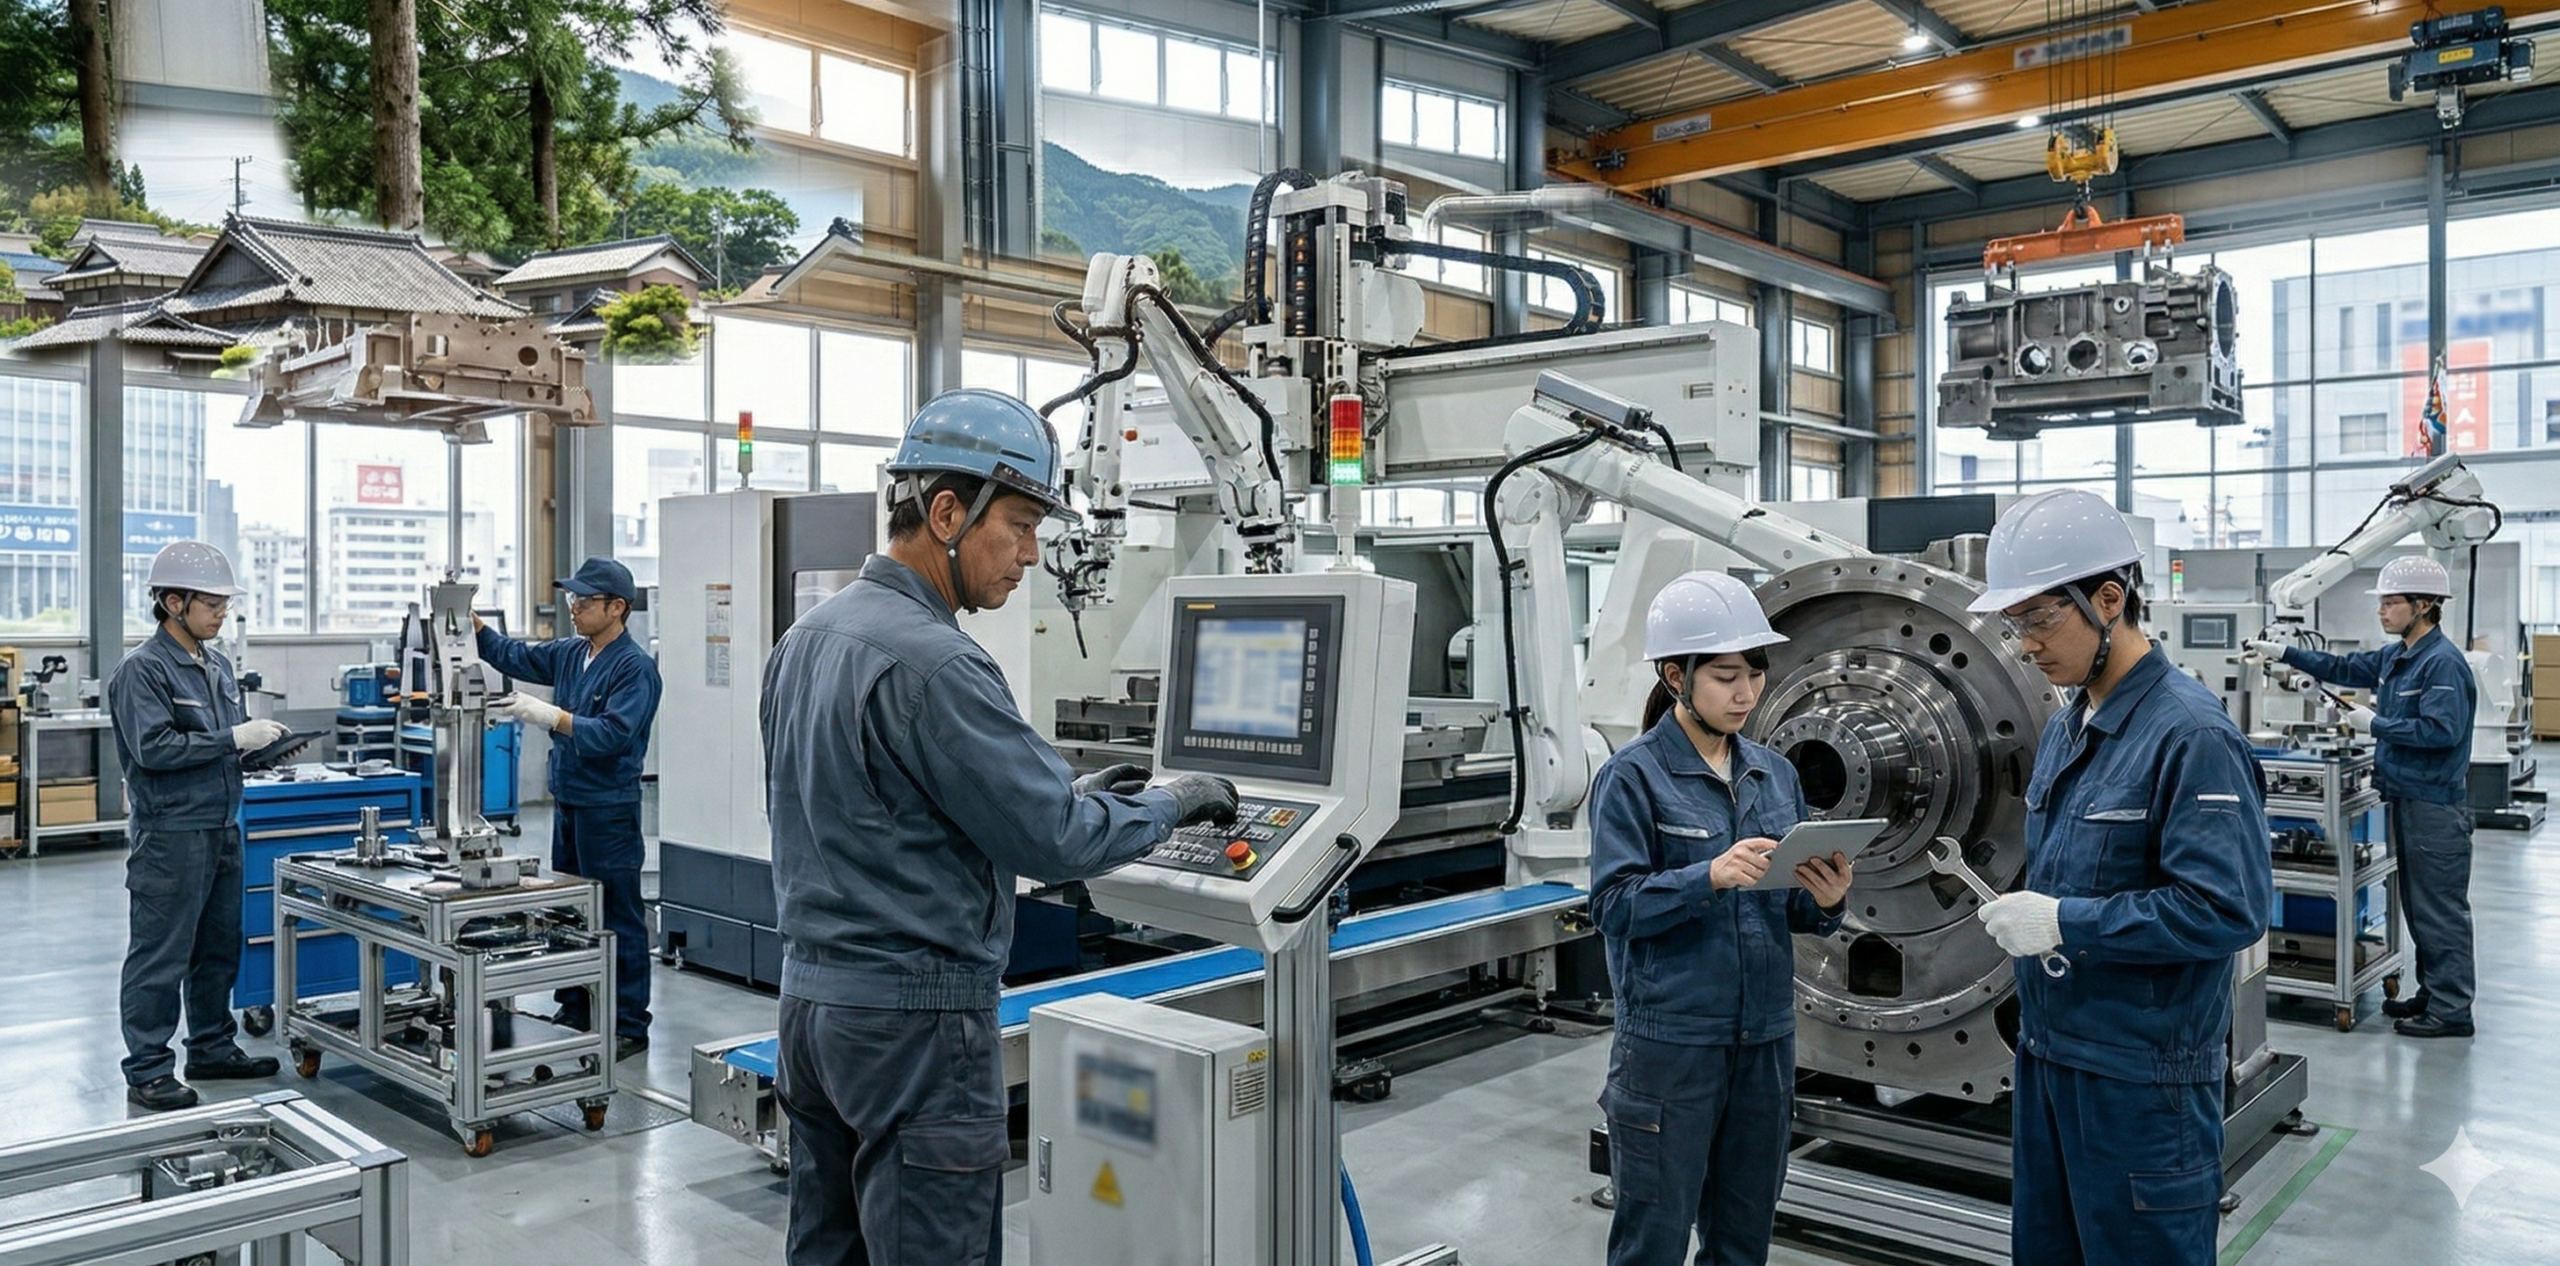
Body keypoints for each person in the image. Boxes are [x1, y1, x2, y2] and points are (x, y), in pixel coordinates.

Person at [761, 389, 1240, 1266]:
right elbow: (1054, 840)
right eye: (1018, 526)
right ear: (947, 513)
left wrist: (1077, 790)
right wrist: (1172, 802)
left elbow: (889, 802)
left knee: (829, 1250)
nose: (1029, 555)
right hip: (915, 1028)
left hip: (812, 1011)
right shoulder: (939, 662)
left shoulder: (809, 637)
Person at [1967, 488, 2273, 1266]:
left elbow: (2226, 910)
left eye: (2040, 620)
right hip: (2049, 1060)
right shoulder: (2070, 727)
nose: (2026, 645)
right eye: (2015, 625)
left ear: (2109, 600)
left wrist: (2063, 922)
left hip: (2143, 1086)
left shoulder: (2191, 735)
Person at [1589, 569, 1855, 1266]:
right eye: (1726, 677)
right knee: (1653, 1239)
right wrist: (1705, 877)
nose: (1746, 693)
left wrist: (1828, 899)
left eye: (1755, 674)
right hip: (1672, 1046)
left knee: (1743, 1240)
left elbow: (1789, 905)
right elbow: (1612, 905)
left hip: (1764, 1040)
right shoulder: (1632, 777)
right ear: (1676, 677)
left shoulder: (1774, 773)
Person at [2245, 555, 2479, 1038]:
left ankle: (2452, 1009)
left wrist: (2376, 725)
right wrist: (2285, 652)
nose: (2381, 611)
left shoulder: (2441, 663)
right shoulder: (2398, 656)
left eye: (2391, 603)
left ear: (2425, 605)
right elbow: (2342, 666)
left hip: (2435, 805)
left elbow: (2442, 732)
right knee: (2419, 907)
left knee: (2439, 910)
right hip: (2407, 797)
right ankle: (2434, 993)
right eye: (2382, 603)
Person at [110, 541, 290, 1110]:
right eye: (211, 604)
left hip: (221, 825)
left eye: (224, 604)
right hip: (170, 833)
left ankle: (211, 1047)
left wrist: (257, 751)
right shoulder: (142, 670)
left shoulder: (215, 665)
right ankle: (147, 1069)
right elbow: (155, 749)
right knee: (161, 955)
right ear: (173, 602)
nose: (221, 614)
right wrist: (232, 738)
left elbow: (218, 746)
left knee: (218, 947)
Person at [474, 556, 664, 1060]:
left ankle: (627, 1023)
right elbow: (512, 655)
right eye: (571, 598)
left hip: (608, 808)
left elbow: (611, 735)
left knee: (617, 914)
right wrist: (470, 626)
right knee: (572, 911)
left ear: (617, 607)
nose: (573, 608)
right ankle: (577, 1007)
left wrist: (550, 715)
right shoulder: (570, 652)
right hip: (570, 801)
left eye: (583, 600)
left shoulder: (634, 669)